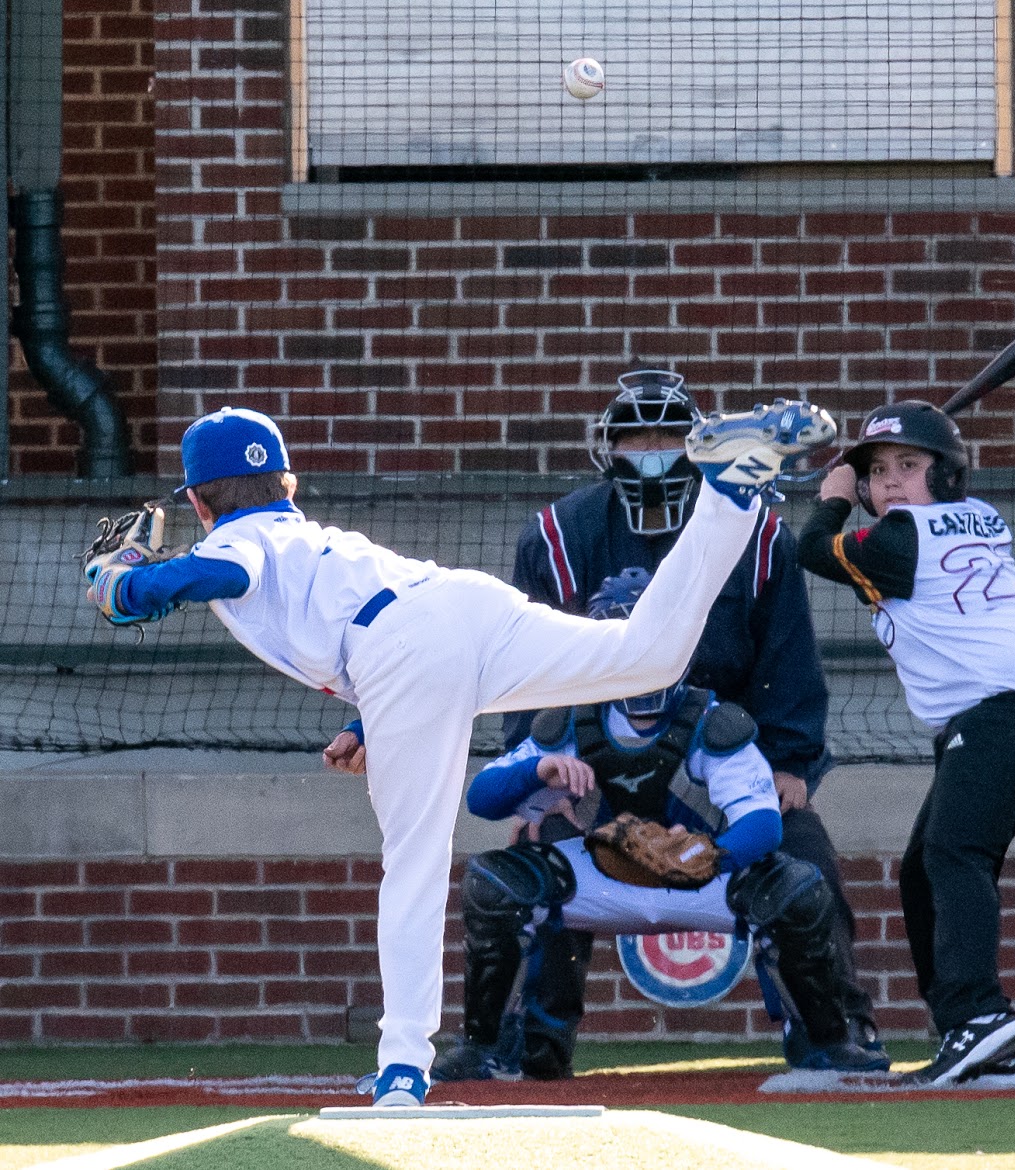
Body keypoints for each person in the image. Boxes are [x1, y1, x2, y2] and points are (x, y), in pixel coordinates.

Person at [82, 400, 835, 1107]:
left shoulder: (235, 536)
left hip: (405, 650)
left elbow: (222, 573)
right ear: (288, 483)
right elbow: (382, 627)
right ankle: (732, 493)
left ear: (199, 501)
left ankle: (402, 1065)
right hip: (462, 608)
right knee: (651, 657)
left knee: (412, 855)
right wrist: (374, 724)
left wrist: (126, 586)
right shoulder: (301, 533)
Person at [454, 367, 885, 1079]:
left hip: (709, 759)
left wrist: (787, 768)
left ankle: (835, 1031)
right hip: (588, 760)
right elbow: (520, 667)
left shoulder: (755, 533)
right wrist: (537, 778)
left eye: (666, 436)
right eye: (635, 438)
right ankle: (524, 1045)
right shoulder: (559, 537)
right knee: (508, 879)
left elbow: (787, 659)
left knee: (804, 871)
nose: (651, 451)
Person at [433, 568, 884, 1084]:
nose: (644, 661)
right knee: (495, 883)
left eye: (655, 644)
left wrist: (706, 855)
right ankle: (494, 1048)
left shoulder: (714, 722)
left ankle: (823, 1043)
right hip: (603, 875)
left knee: (798, 889)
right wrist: (538, 772)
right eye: (630, 644)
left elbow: (762, 824)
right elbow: (480, 800)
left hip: (702, 873)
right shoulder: (570, 721)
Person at [795, 399, 1015, 1087]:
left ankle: (980, 1015)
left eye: (910, 466)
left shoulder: (899, 541)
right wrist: (864, 477)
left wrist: (834, 497)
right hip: (1014, 717)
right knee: (924, 869)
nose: (892, 482)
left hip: (1005, 714)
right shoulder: (976, 516)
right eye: (879, 470)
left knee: (955, 853)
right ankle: (974, 1038)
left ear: (947, 475)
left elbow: (812, 550)